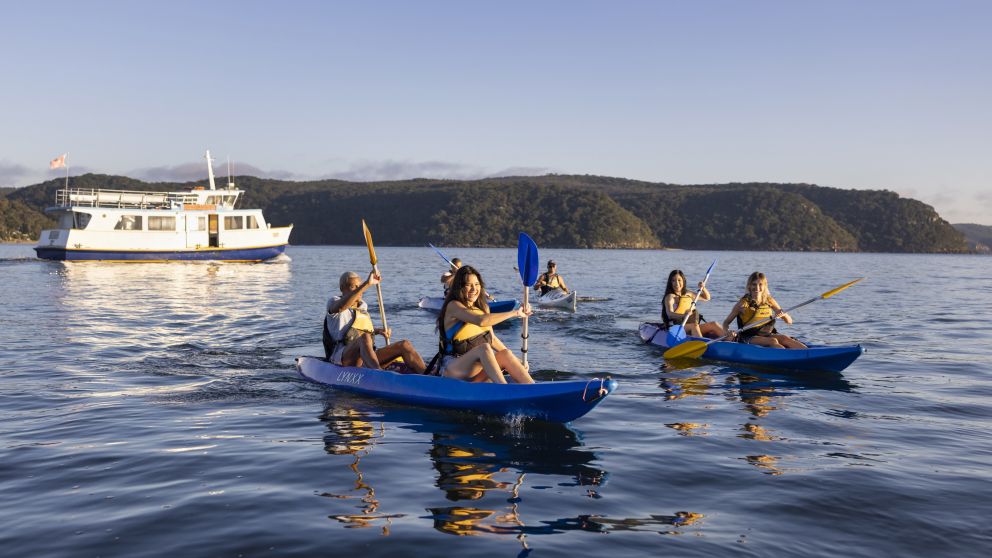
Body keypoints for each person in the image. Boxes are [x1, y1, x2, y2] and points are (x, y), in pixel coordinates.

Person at [436, 265, 535, 384]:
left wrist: (516, 360)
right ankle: (503, 390)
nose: (474, 289)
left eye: (477, 284)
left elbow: (491, 339)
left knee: (506, 353)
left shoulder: (483, 308)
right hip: (453, 368)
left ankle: (533, 389)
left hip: (476, 371)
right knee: (484, 348)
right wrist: (515, 313)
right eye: (468, 285)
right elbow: (481, 320)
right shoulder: (454, 306)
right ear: (460, 287)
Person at [324, 270, 428, 372]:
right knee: (365, 338)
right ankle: (378, 373)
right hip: (343, 357)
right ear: (342, 288)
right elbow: (341, 307)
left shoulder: (363, 306)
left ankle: (427, 375)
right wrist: (367, 284)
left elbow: (356, 329)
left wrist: (378, 331)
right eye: (353, 286)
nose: (359, 289)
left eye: (359, 285)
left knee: (405, 344)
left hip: (365, 356)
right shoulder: (334, 302)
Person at [721, 272, 807, 349]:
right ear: (749, 286)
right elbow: (726, 323)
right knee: (772, 341)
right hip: (747, 337)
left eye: (760, 284)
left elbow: (789, 321)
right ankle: (786, 357)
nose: (757, 288)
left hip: (767, 335)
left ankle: (807, 353)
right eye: (754, 284)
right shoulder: (742, 304)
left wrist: (783, 314)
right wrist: (727, 332)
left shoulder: (769, 300)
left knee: (786, 339)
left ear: (765, 286)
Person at [662, 269, 724, 338]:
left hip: (691, 326)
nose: (677, 283)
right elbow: (669, 314)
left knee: (714, 324)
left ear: (683, 281)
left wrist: (703, 288)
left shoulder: (688, 294)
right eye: (673, 280)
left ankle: (731, 339)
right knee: (694, 326)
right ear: (670, 283)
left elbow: (707, 298)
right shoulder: (670, 297)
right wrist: (683, 315)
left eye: (679, 280)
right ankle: (701, 343)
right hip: (676, 328)